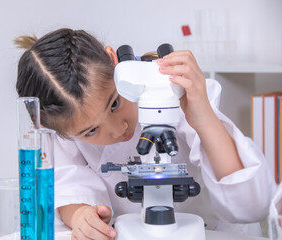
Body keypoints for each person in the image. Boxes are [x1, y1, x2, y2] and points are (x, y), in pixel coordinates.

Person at [15, 28, 276, 240]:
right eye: (92, 130)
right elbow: (68, 184)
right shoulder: (65, 129)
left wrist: (202, 115)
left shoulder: (172, 92)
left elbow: (251, 206)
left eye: (114, 103)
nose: (119, 129)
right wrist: (82, 215)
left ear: (114, 60)